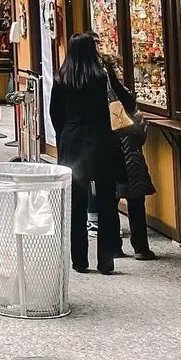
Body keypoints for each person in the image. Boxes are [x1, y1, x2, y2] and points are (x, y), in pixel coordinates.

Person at [50, 31, 122, 274]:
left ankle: (79, 259)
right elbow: (122, 101)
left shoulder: (62, 78)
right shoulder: (101, 77)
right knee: (106, 200)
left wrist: (64, 135)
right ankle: (106, 259)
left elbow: (55, 114)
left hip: (73, 143)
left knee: (76, 203)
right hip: (101, 140)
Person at [105, 58, 157, 261]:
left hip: (108, 148)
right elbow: (131, 104)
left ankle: (114, 246)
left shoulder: (93, 87)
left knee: (110, 199)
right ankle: (141, 247)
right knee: (135, 198)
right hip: (130, 147)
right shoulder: (119, 91)